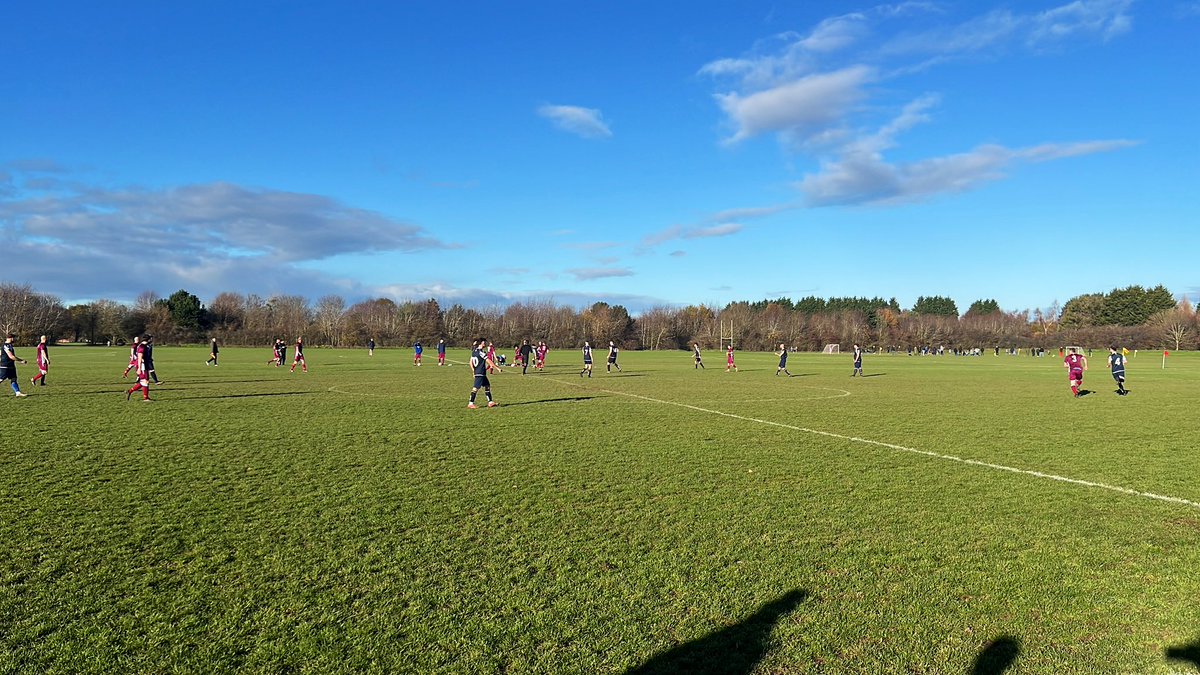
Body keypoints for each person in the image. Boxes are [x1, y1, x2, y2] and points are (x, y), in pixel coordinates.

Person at [467, 337, 503, 408]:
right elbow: (489, 361)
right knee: (475, 388)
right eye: (484, 342)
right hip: (480, 373)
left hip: (480, 373)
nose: (485, 343)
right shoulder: (481, 352)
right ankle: (471, 403)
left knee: (487, 386)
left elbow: (470, 362)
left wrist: (473, 371)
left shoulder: (474, 351)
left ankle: (490, 402)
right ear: (481, 343)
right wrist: (497, 368)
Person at [125, 337, 151, 402]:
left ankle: (130, 391)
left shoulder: (144, 346)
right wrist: (139, 368)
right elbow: (139, 357)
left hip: (144, 365)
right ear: (148, 339)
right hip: (142, 366)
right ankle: (146, 398)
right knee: (145, 381)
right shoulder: (142, 346)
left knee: (143, 381)